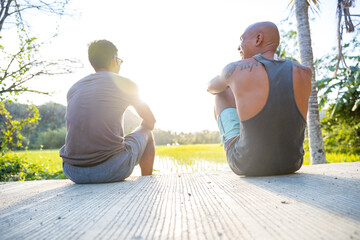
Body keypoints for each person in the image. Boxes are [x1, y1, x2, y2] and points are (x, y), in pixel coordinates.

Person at [207, 22, 312, 176]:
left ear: (258, 39)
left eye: (242, 40)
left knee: (221, 93)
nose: (239, 47)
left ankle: (238, 145)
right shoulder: (304, 71)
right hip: (293, 163)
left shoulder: (235, 68)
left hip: (247, 165)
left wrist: (232, 83)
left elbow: (211, 87)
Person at [60, 39, 156, 183]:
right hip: (110, 169)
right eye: (120, 61)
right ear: (114, 60)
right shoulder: (124, 83)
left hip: (73, 171)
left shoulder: (74, 88)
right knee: (147, 132)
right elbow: (151, 121)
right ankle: (146, 183)